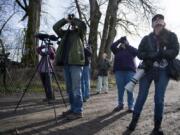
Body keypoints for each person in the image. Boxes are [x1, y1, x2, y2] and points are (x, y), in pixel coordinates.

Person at [127, 14, 179, 134]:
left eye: (160, 21)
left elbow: (176, 50)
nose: (157, 22)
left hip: (164, 70)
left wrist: (163, 53)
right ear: (152, 25)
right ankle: (133, 121)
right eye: (155, 21)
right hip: (147, 70)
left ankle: (157, 126)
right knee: (141, 96)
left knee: (159, 98)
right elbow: (139, 53)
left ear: (164, 23)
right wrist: (151, 55)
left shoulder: (171, 36)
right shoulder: (146, 38)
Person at [53, 14, 86, 120]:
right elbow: (55, 27)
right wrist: (65, 20)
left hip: (76, 63)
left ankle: (78, 111)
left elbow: (83, 25)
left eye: (73, 23)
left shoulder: (80, 33)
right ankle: (72, 109)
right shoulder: (65, 34)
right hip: (66, 63)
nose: (72, 25)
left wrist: (74, 20)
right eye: (71, 23)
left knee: (76, 88)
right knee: (70, 89)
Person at [111, 36, 138, 112]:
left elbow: (137, 52)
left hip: (130, 72)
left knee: (130, 89)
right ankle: (120, 104)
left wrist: (127, 45)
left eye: (124, 42)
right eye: (122, 43)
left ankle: (130, 106)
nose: (123, 44)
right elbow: (112, 46)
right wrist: (119, 40)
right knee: (120, 89)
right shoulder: (117, 50)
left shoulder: (130, 50)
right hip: (119, 72)